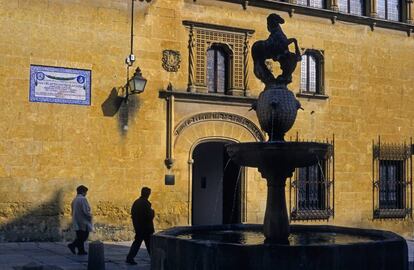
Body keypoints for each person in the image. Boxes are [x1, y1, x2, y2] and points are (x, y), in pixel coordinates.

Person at [126, 187, 155, 265]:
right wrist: (152, 212)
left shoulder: (136, 202)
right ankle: (154, 258)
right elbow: (149, 216)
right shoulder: (146, 203)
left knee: (139, 243)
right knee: (148, 244)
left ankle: (130, 257)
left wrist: (136, 226)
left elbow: (134, 215)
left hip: (139, 227)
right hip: (146, 228)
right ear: (147, 194)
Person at [67, 185, 93, 255]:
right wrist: (90, 216)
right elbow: (86, 211)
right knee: (84, 236)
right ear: (82, 192)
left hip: (76, 220)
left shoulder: (75, 200)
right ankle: (72, 245)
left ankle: (81, 251)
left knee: (80, 236)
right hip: (83, 221)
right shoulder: (83, 199)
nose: (86, 194)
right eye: (85, 192)